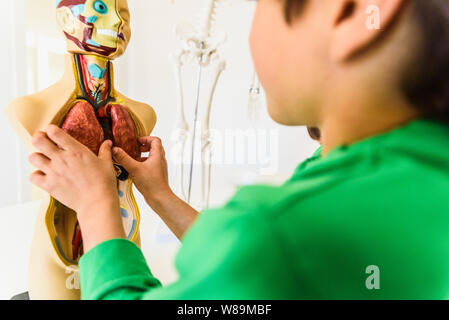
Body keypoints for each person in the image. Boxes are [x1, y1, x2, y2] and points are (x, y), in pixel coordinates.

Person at [28, 0, 449, 299]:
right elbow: (247, 264)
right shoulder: (405, 173)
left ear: (352, 11)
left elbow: (260, 256)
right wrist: (161, 195)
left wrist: (96, 206)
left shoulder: (276, 233)